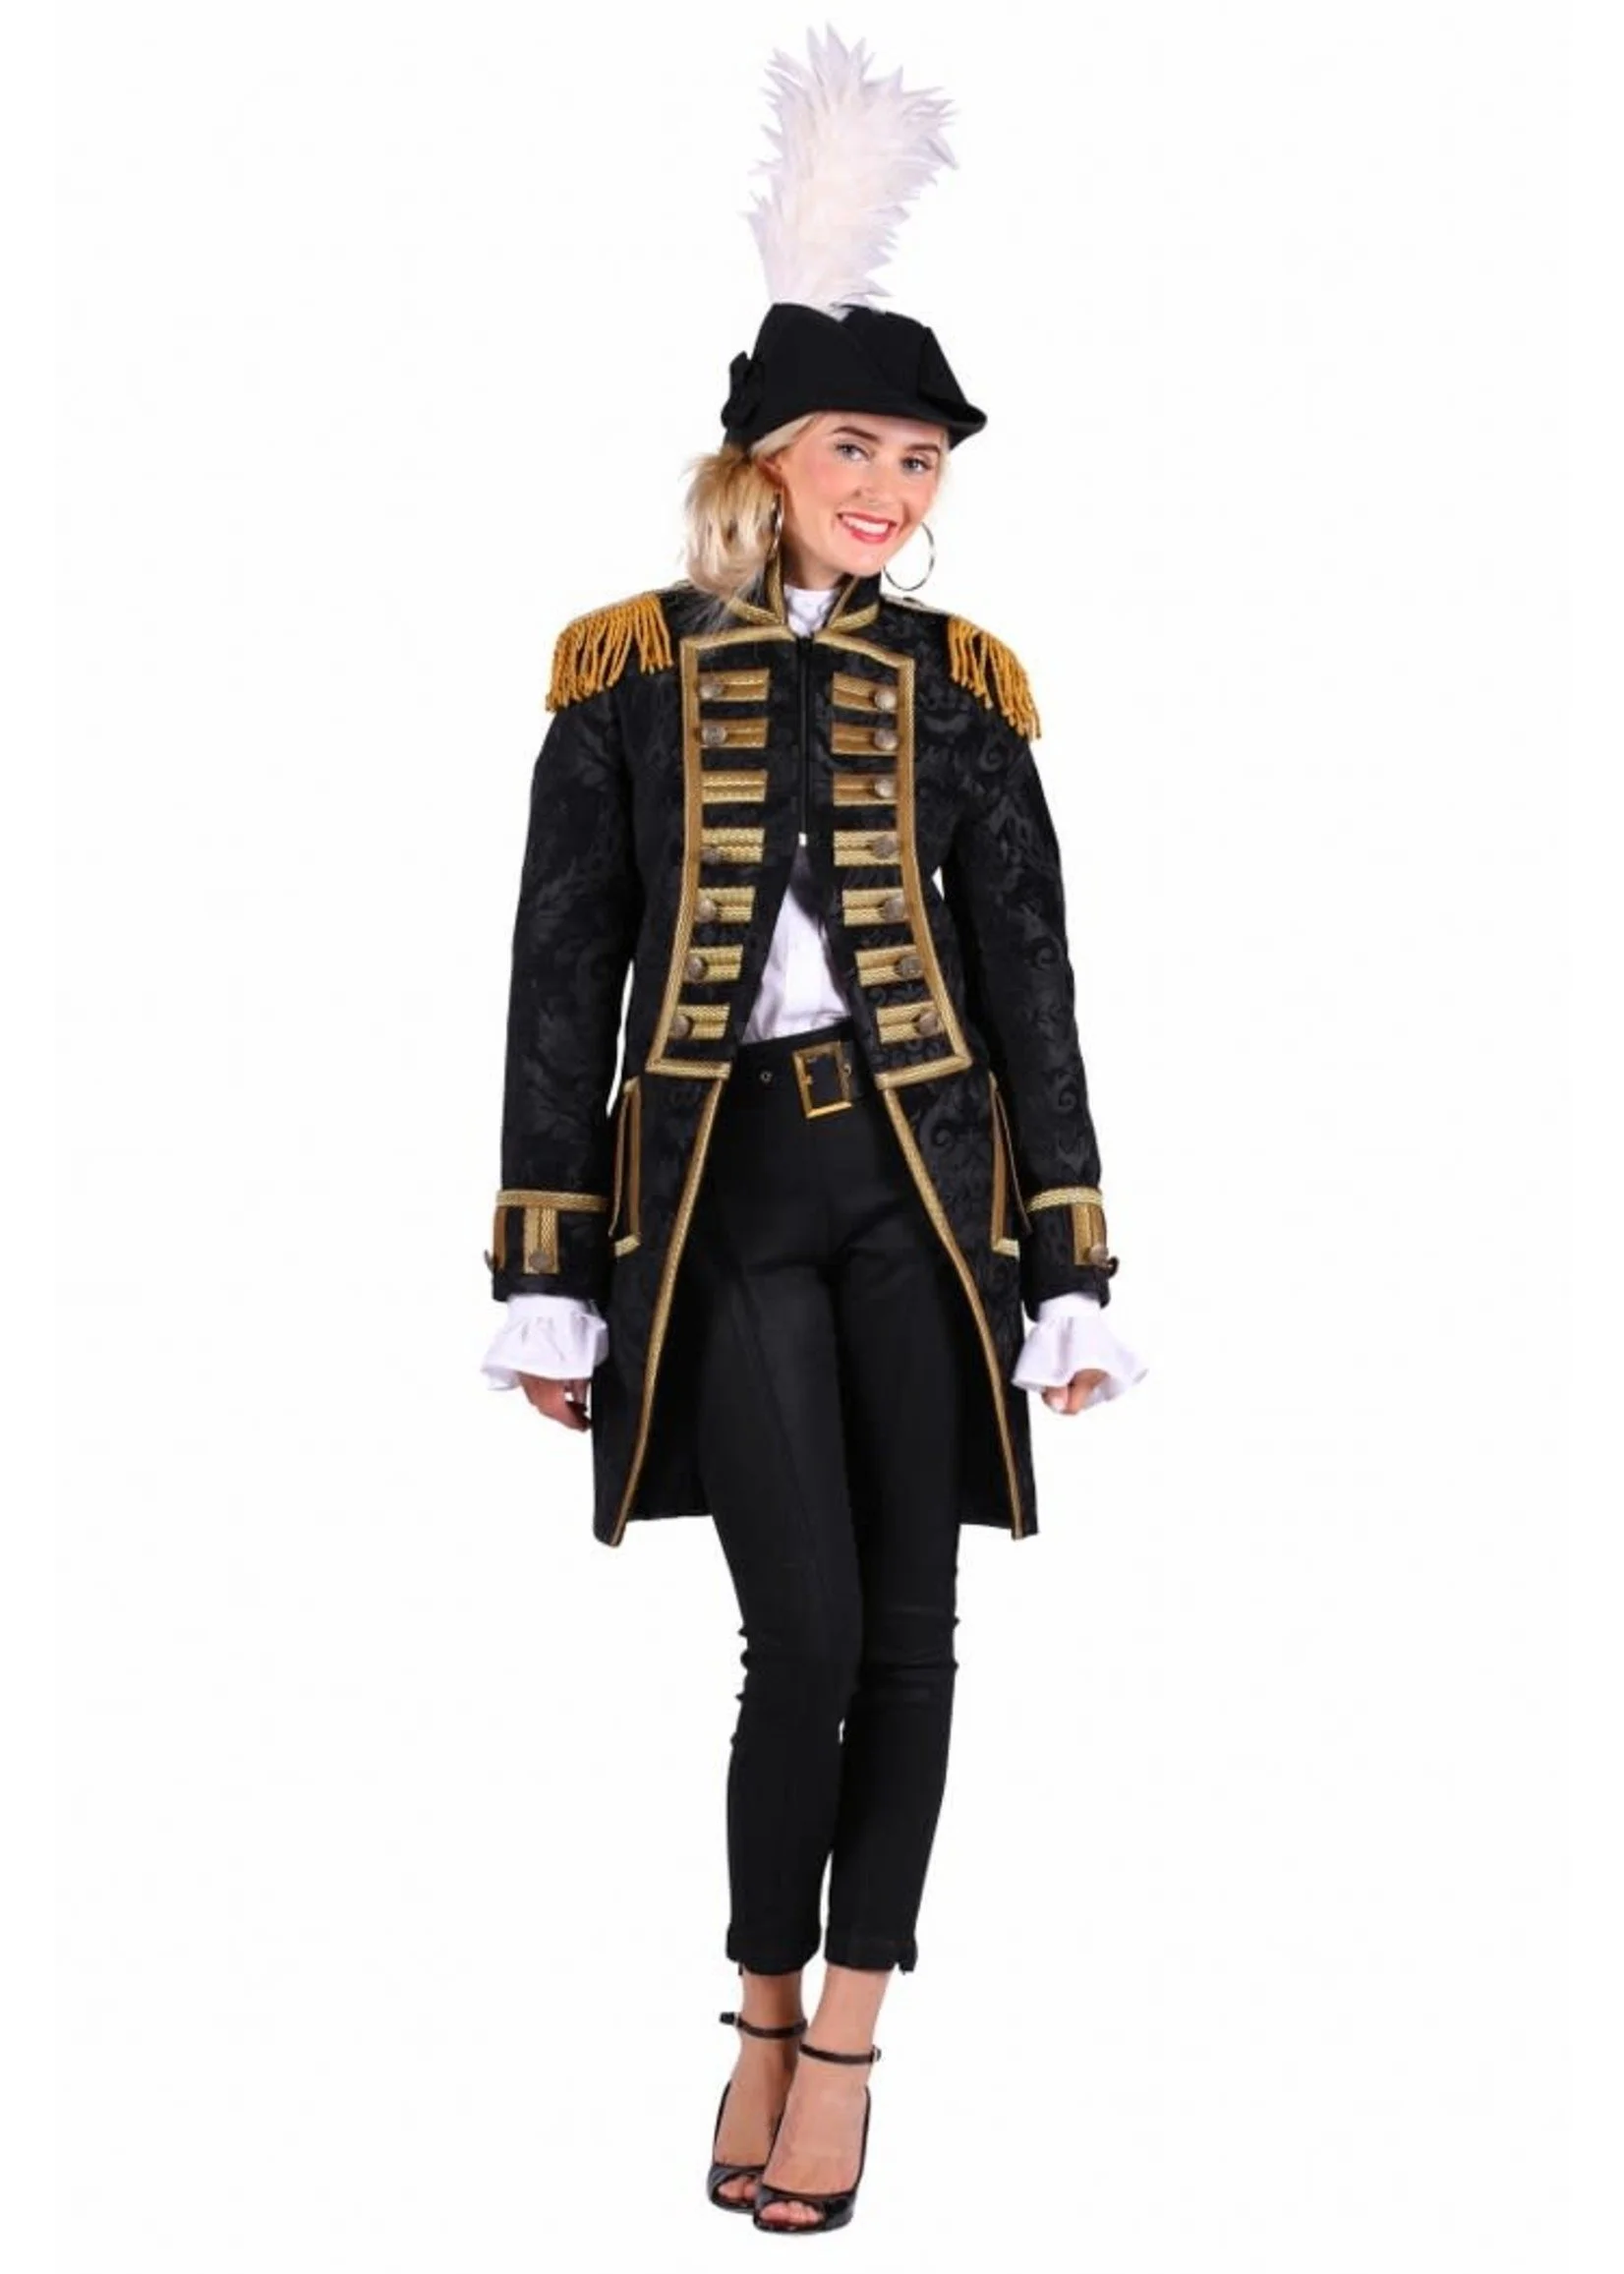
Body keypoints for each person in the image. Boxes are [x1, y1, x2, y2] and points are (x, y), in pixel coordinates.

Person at [478, 29, 1146, 2233]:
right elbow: (560, 980)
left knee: (920, 1640)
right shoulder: (620, 677)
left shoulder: (962, 690)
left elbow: (1031, 983)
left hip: (928, 1199)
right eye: (858, 445)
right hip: (726, 1196)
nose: (893, 487)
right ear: (761, 460)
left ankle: (845, 2043)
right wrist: (547, 1270)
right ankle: (758, 2010)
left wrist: (1070, 1260)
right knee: (804, 1641)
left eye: (920, 458)